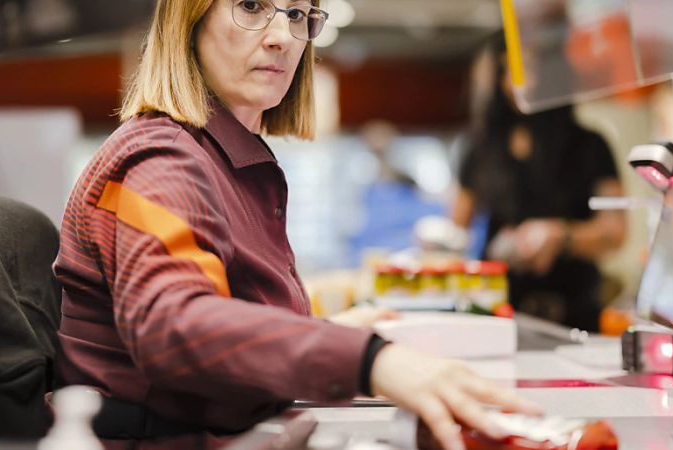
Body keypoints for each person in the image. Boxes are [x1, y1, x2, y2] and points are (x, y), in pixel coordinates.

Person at [53, 1, 540, 448]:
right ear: (189, 19)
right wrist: (368, 359)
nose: (282, 35)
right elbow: (175, 325)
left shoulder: (224, 160)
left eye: (299, 14)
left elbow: (226, 319)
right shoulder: (160, 160)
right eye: (250, 6)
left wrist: (323, 332)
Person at [452, 33, 627, 332]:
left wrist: (562, 236)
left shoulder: (590, 145)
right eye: (511, 69)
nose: (523, 82)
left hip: (574, 309)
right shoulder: (479, 148)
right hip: (497, 310)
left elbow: (616, 231)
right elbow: (457, 232)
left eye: (533, 68)